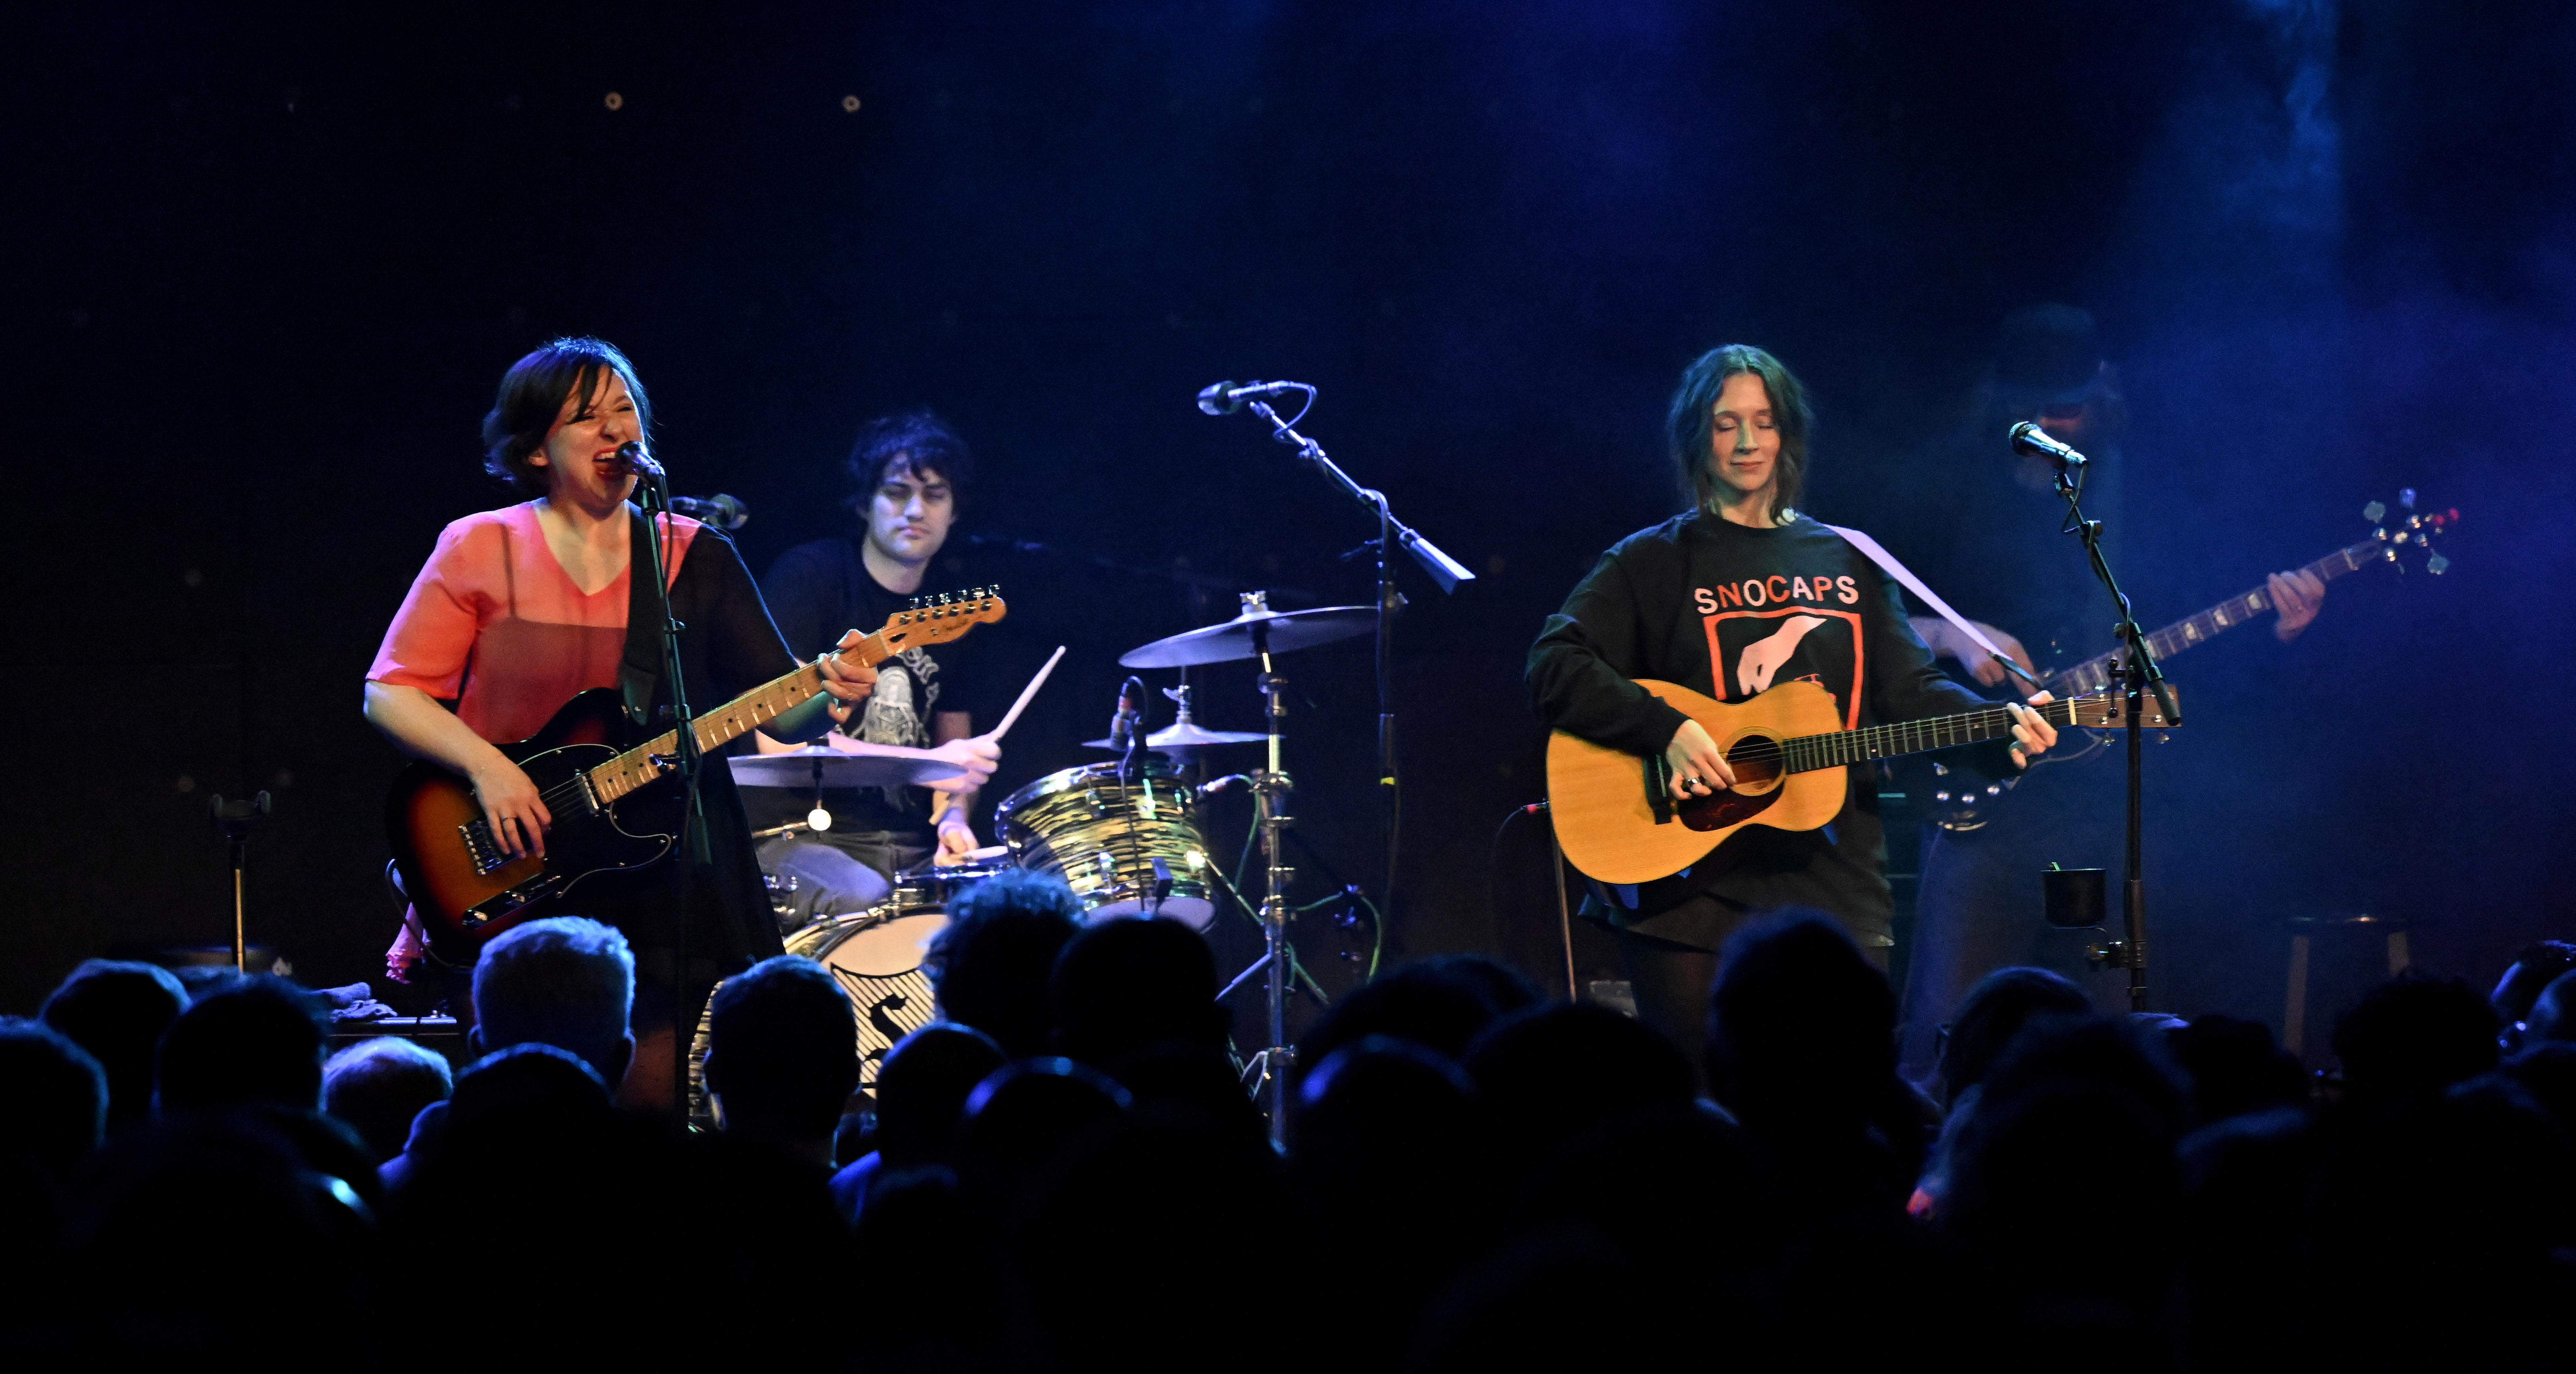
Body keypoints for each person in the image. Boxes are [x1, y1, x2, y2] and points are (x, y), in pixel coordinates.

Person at [363, 338, 875, 1109]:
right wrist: (489, 770)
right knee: (526, 1107)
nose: (616, 431)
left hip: (651, 865)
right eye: (587, 417)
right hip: (512, 858)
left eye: (625, 410)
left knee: (645, 1116)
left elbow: (785, 705)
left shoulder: (692, 554)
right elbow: (391, 692)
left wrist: (834, 688)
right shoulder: (479, 545)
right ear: (536, 450)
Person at [1527, 344, 2058, 1059]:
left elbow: (1910, 691)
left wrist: (1995, 734)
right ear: (1697, 437)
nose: (1747, 441)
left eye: (1764, 421)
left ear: (1787, 434)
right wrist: (1666, 729)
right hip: (1690, 891)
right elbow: (1553, 663)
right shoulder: (1651, 560)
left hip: (1837, 887)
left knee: (1842, 1100)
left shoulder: (1851, 559)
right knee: (1706, 1099)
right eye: (1726, 424)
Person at [1877, 304, 2330, 1079]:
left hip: (2111, 814)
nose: (2053, 423)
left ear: (2103, 392)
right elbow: (1865, 616)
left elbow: (2205, 668)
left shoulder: (2148, 490)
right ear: (2001, 399)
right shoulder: (1942, 481)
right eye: (2034, 409)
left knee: (2109, 1054)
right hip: (1987, 809)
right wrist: (1953, 634)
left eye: (2070, 407)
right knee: (1945, 1042)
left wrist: (2281, 633)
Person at [749, 411, 1004, 910]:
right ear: (865, 503)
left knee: (1007, 906)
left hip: (909, 843)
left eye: (935, 495)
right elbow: (778, 741)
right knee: (864, 898)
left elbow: (953, 756)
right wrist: (931, 765)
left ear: (954, 511)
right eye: (896, 492)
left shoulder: (953, 614)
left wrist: (954, 817)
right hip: (802, 834)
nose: (915, 510)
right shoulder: (811, 577)